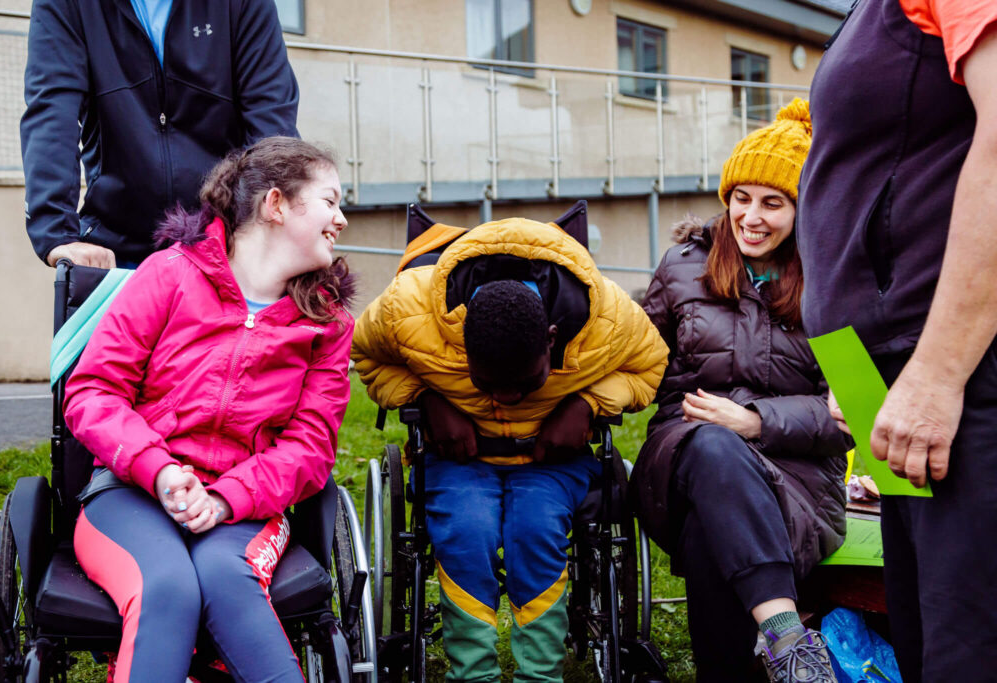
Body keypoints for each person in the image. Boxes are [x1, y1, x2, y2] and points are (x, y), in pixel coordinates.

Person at [63, 137, 353, 682]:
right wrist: (161, 469)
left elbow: (310, 449)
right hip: (131, 493)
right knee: (166, 585)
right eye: (330, 201)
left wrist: (225, 499)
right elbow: (94, 390)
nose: (341, 219)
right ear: (276, 205)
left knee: (224, 577)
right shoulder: (168, 274)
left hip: (244, 507)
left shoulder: (327, 324)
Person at [351, 215, 669, 682]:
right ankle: (473, 675)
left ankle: (539, 676)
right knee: (466, 529)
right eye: (488, 384)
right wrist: (425, 398)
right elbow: (366, 354)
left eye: (523, 383)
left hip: (551, 459)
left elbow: (651, 364)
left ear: (552, 339)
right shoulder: (408, 308)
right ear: (462, 343)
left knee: (535, 529)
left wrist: (587, 403)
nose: (505, 398)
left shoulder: (608, 317)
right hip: (459, 456)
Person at [796, 0, 997, 679]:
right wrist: (852, 366)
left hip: (961, 369)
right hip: (885, 369)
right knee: (918, 636)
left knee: (965, 647)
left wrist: (939, 372)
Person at [628, 100, 849, 682]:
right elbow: (635, 365)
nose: (751, 217)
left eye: (773, 203)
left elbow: (854, 416)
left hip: (795, 481)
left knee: (710, 527)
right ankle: (788, 638)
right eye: (741, 198)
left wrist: (754, 421)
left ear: (804, 211)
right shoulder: (681, 267)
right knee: (710, 446)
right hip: (680, 455)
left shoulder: (833, 282)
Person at [21, 0, 300, 268]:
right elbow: (52, 111)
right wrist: (58, 234)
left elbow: (272, 127)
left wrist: (268, 234)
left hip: (224, 249)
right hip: (117, 250)